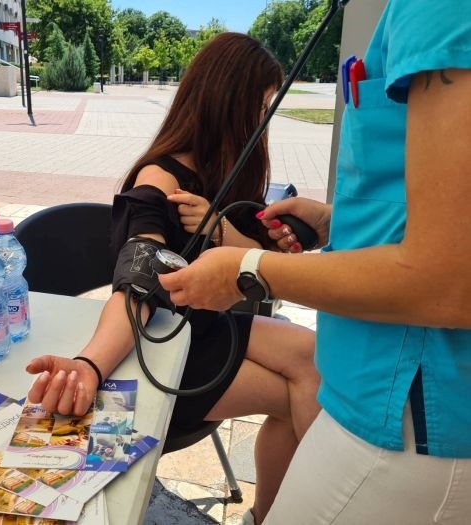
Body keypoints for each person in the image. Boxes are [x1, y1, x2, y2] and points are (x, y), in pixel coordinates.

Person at [158, 3, 471, 524]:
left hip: (408, 412)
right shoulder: (162, 177)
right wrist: (336, 222)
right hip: (382, 393)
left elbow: (449, 280)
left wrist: (246, 269)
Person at [25, 32, 321, 524]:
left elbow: (263, 264)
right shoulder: (158, 184)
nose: (265, 122)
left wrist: (239, 231)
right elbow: (138, 287)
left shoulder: (225, 175)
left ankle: (272, 515)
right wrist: (91, 365)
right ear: (228, 104)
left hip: (205, 329)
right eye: (261, 107)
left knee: (316, 358)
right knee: (306, 388)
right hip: (166, 353)